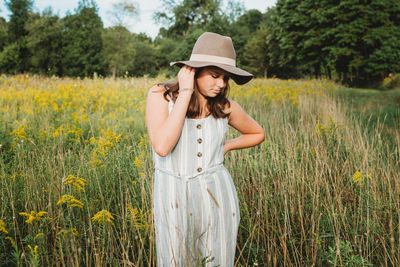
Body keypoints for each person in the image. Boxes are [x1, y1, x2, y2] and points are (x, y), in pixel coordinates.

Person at [146, 32, 265, 266]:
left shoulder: (224, 107)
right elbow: (162, 147)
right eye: (214, 75)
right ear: (193, 71)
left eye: (226, 78)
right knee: (174, 259)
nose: (221, 84)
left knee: (217, 259)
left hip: (217, 194)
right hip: (172, 195)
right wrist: (186, 92)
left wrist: (227, 146)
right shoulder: (160, 96)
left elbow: (257, 133)